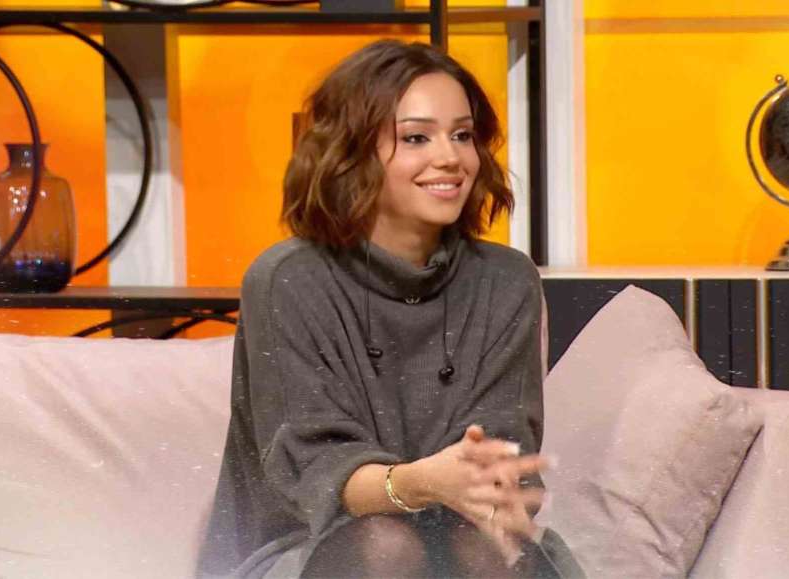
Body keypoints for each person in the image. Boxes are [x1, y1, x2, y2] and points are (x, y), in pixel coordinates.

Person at [196, 39, 580, 578]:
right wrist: (422, 483)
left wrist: (492, 480)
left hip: (460, 540)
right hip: (312, 548)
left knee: (486, 548)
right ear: (352, 153)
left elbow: (498, 457)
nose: (450, 158)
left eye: (463, 135)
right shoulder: (288, 280)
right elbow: (313, 471)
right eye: (417, 137)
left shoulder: (506, 280)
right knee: (385, 546)